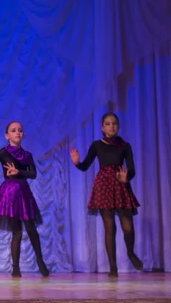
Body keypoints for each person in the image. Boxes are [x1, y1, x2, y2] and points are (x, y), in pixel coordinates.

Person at [0, 121, 49, 278]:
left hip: (24, 193)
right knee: (17, 232)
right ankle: (15, 269)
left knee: (32, 229)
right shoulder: (3, 152)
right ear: (7, 136)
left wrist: (18, 171)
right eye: (13, 130)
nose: (17, 133)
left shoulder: (27, 155)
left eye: (20, 130)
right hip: (10, 194)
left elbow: (33, 174)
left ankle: (40, 262)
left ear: (23, 134)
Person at [69, 112, 143, 277]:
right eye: (108, 124)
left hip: (120, 185)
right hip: (103, 186)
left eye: (114, 123)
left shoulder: (125, 145)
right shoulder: (97, 145)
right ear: (103, 127)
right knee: (110, 228)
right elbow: (85, 166)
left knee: (128, 227)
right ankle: (113, 268)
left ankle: (130, 253)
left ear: (118, 126)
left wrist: (126, 177)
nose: (112, 126)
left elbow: (132, 170)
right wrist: (77, 163)